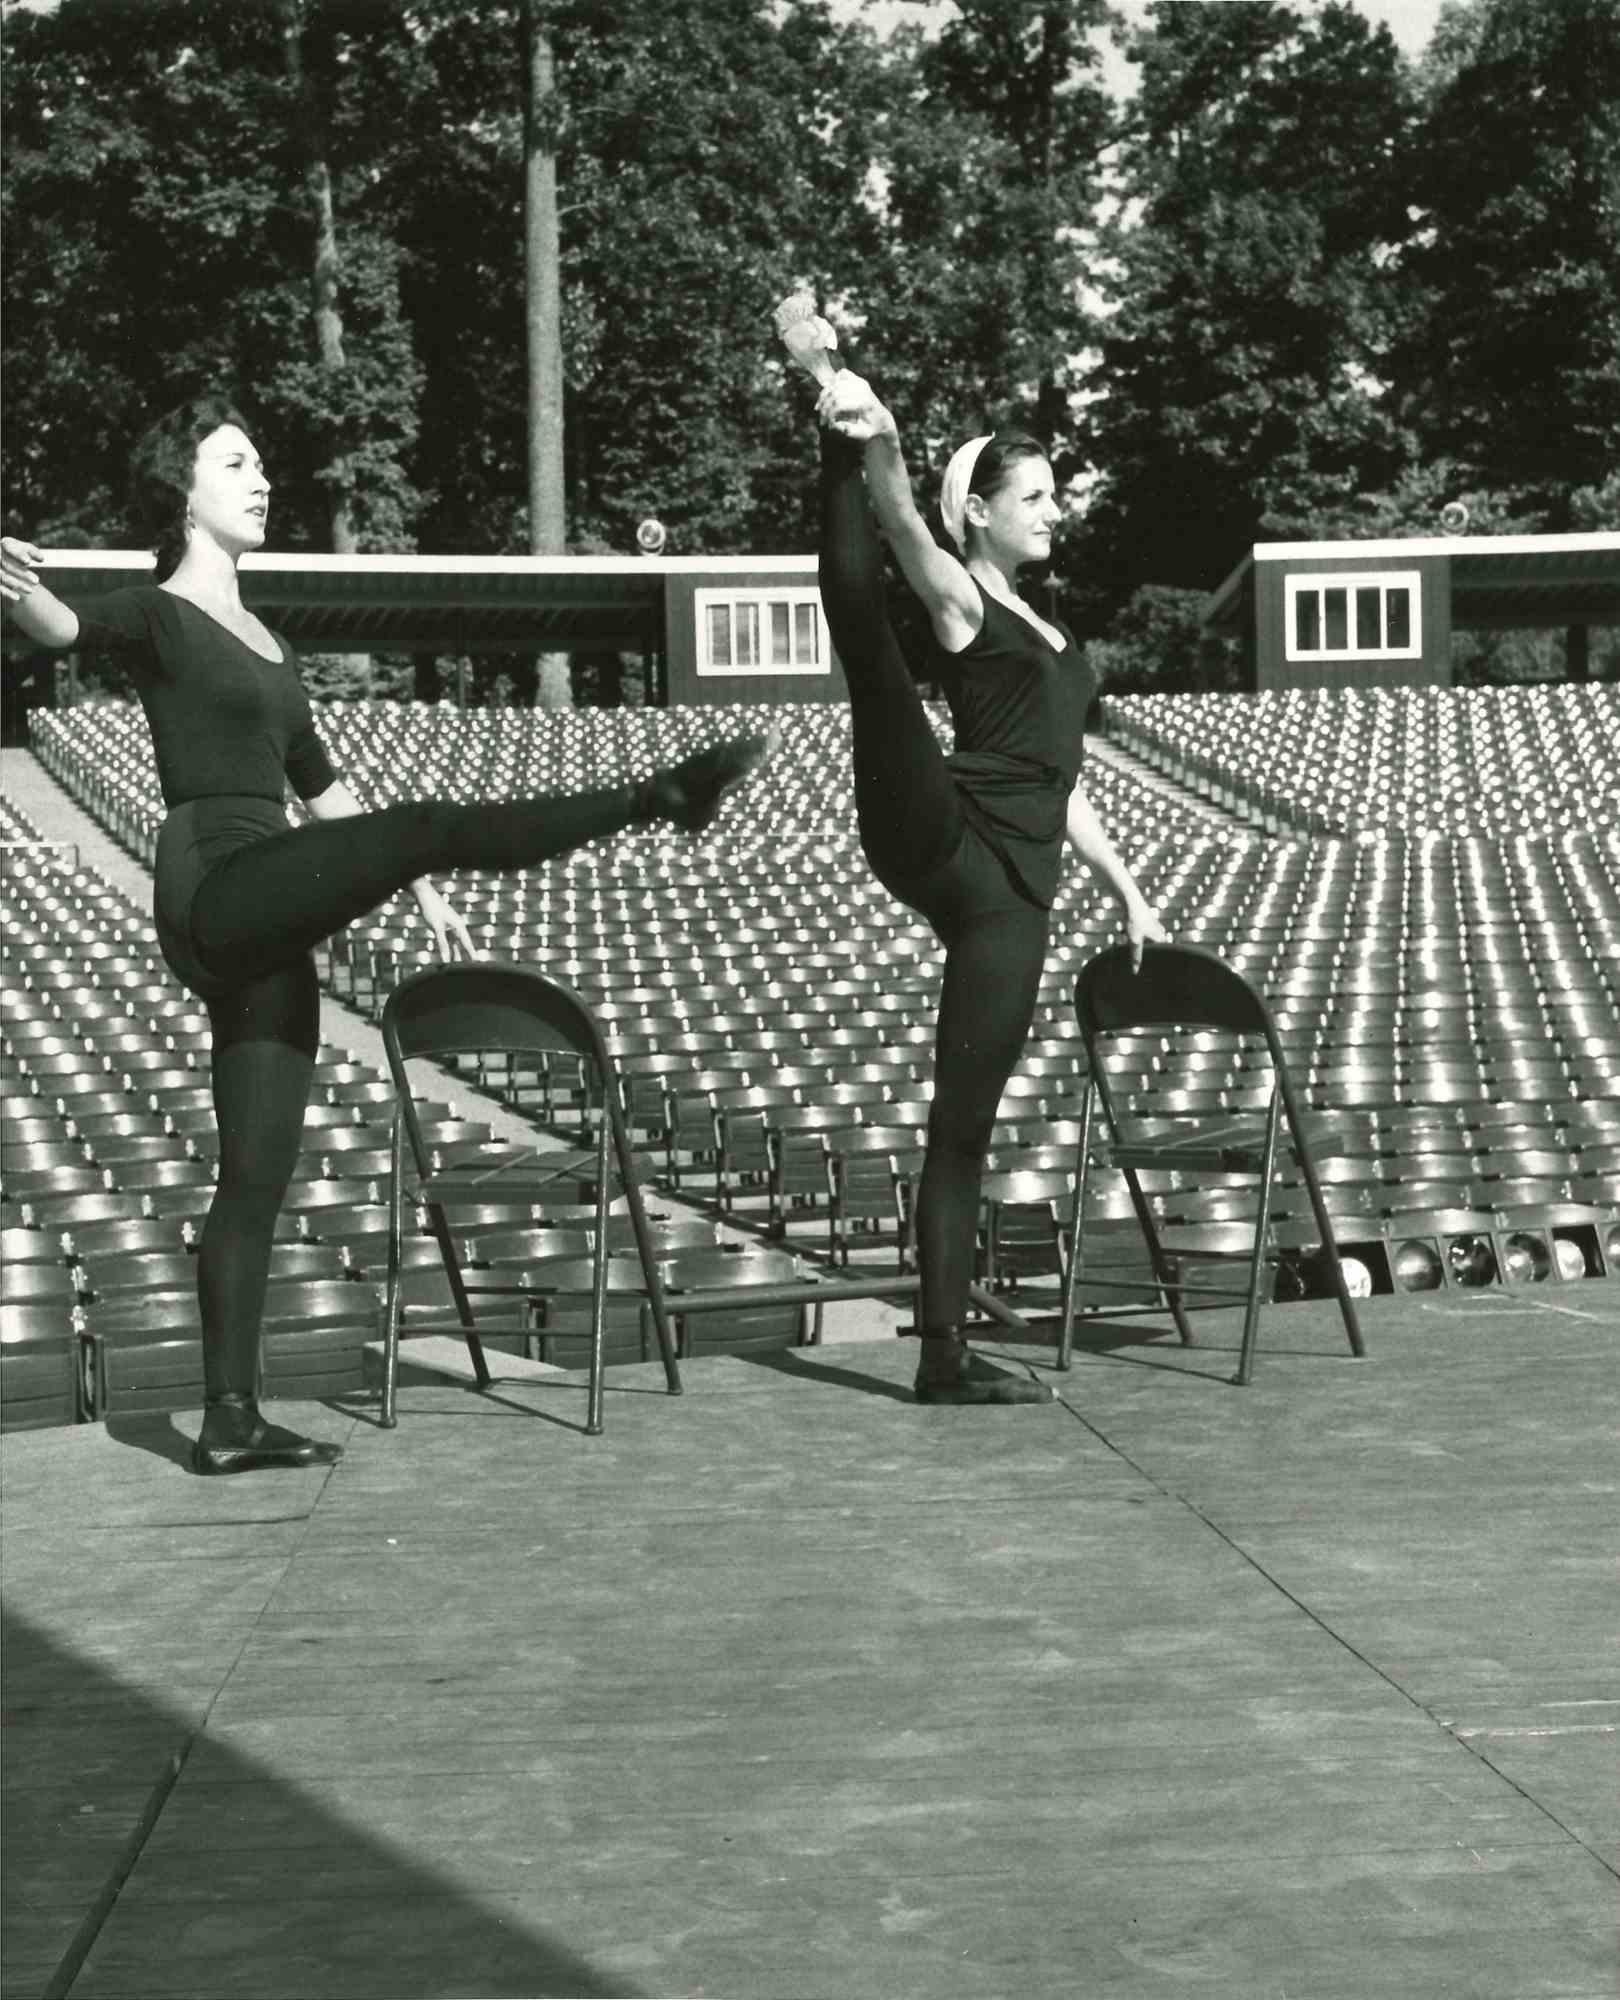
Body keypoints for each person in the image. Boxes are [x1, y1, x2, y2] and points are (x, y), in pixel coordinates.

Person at [1, 393, 772, 1474]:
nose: (262, 478)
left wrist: (415, 889)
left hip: (277, 894)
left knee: (256, 1172)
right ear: (183, 490)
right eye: (236, 464)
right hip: (214, 881)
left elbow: (324, 786)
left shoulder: (268, 642)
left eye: (262, 463)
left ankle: (228, 1417)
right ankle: (657, 798)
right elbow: (67, 629)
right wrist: (20, 588)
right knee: (430, 823)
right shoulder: (157, 611)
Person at [776, 297, 1167, 1405]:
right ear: (981, 515)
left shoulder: (1063, 640)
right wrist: (869, 431)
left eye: (1054, 494)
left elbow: (1063, 782)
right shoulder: (963, 603)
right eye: (1033, 497)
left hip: (1011, 894)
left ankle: (941, 1353)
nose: (1055, 512)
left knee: (964, 1124)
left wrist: (1128, 886)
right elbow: (900, 527)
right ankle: (826, 419)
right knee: (865, 636)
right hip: (936, 823)